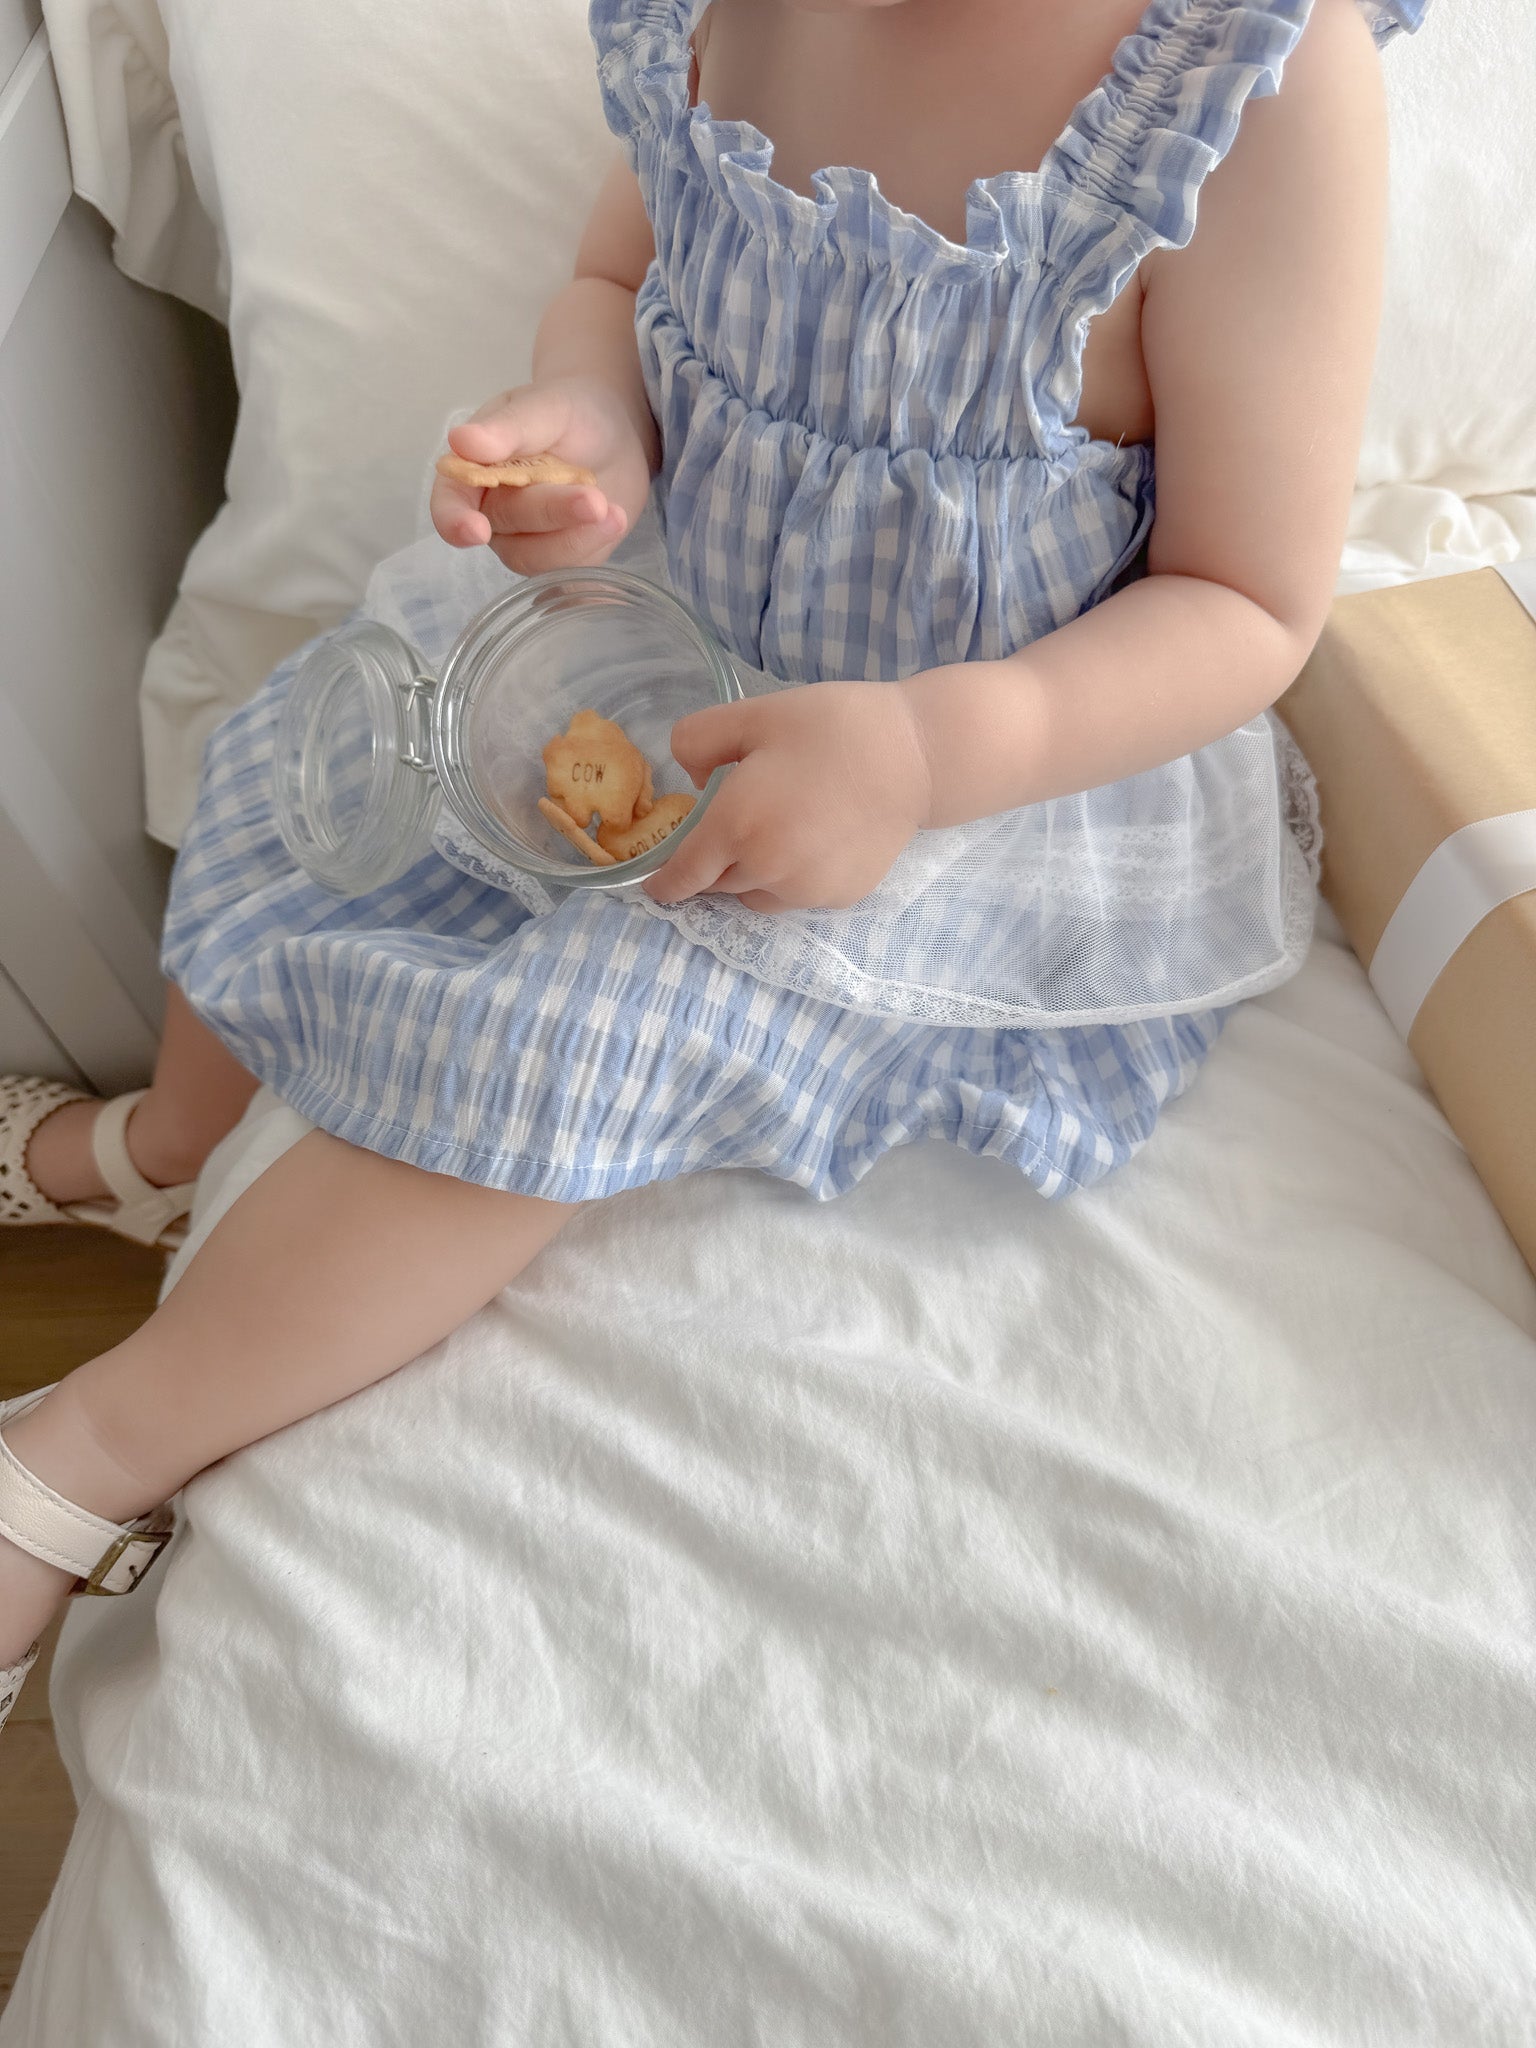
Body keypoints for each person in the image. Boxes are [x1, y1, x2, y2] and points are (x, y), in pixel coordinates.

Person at [0, 0, 1426, 1723]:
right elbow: (619, 274)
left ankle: (80, 1460)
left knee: (556, 1040)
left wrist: (925, 752)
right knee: (319, 750)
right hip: (666, 625)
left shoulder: (1249, 86)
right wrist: (591, 428)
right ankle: (170, 1144)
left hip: (981, 761)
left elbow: (1247, 600)